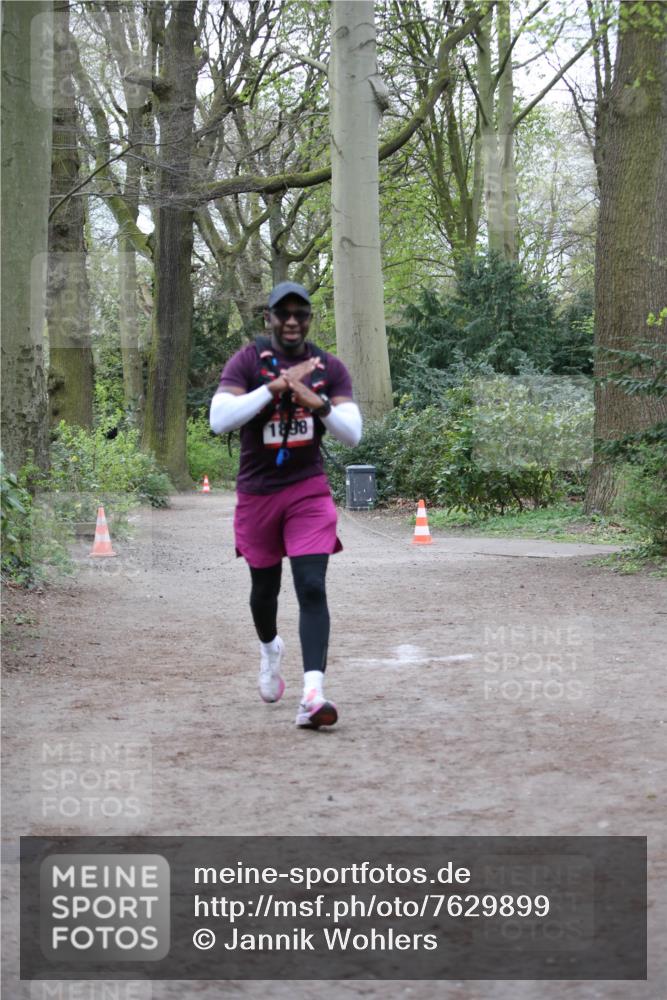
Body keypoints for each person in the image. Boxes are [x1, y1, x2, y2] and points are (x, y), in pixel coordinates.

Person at [210, 281, 362, 729]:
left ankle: (313, 694)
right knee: (265, 591)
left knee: (311, 586)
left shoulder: (328, 368)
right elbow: (219, 420)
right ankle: (270, 648)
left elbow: (353, 434)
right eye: (283, 313)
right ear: (269, 318)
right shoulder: (247, 361)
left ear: (310, 319)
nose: (292, 321)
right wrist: (275, 388)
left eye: (301, 314)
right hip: (257, 494)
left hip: (307, 491)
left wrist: (319, 405)